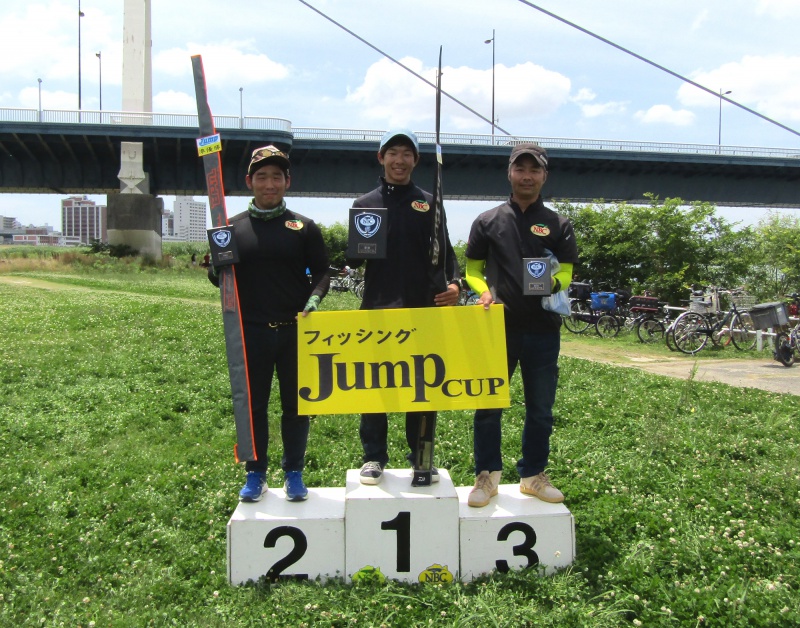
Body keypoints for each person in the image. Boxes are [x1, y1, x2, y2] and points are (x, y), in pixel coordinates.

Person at [208, 145, 330, 502]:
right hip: (250, 333)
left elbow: (323, 271)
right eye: (262, 176)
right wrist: (216, 267)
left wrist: (314, 298)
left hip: (295, 332)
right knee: (253, 406)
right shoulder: (229, 228)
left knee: (296, 406)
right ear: (250, 181)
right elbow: (222, 281)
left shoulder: (304, 227)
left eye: (277, 176)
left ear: (287, 181)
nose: (269, 183)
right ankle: (255, 473)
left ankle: (294, 471)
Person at [464, 143, 578, 507]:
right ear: (509, 173)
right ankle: (487, 476)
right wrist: (483, 293)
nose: (526, 176)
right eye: (520, 169)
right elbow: (472, 271)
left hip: (543, 332)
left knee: (541, 409)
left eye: (534, 170)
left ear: (544, 176)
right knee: (488, 406)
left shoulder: (559, 224)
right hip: (497, 329)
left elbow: (569, 273)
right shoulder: (487, 220)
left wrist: (551, 284)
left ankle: (532, 475)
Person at [348, 129, 461, 486]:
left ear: (416, 160)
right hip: (378, 308)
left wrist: (455, 284)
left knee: (422, 384)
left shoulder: (430, 201)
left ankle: (420, 455)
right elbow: (353, 257)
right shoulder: (364, 204)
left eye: (407, 153)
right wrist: (359, 245)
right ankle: (373, 456)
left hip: (423, 309)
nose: (399, 160)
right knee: (374, 386)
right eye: (392, 152)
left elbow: (447, 254)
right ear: (380, 158)